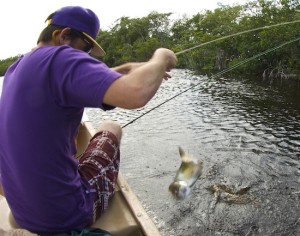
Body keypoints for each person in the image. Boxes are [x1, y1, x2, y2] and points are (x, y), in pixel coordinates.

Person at [0, 6, 177, 235]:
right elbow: (136, 93)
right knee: (111, 126)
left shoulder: (18, 68)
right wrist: (161, 57)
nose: (87, 56)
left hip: (23, 212)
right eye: (86, 48)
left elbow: (89, 79)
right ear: (63, 36)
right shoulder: (61, 57)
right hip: (64, 215)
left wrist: (129, 68)